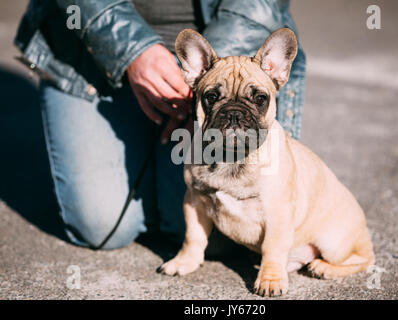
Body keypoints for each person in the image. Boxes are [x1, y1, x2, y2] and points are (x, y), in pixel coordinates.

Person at [14, 0, 306, 250]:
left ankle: (156, 160)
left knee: (222, 239)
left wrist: (211, 79)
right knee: (101, 224)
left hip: (212, 49)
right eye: (216, 99)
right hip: (89, 50)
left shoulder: (215, 73)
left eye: (254, 99)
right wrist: (131, 51)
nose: (233, 114)